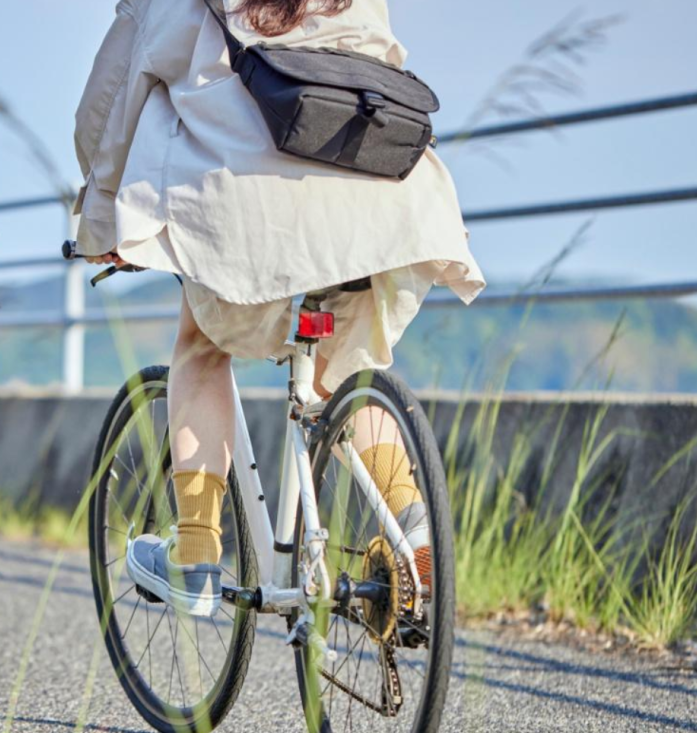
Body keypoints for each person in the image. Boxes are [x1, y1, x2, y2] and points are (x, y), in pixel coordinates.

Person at [73, 0, 484, 616]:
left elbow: (107, 108)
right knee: (340, 370)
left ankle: (195, 560)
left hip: (245, 212)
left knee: (201, 348)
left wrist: (101, 219)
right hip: (376, 206)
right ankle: (413, 527)